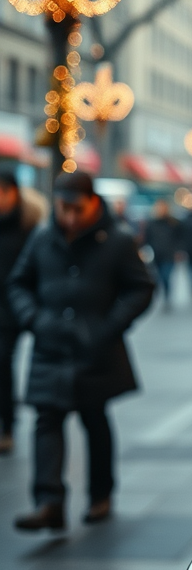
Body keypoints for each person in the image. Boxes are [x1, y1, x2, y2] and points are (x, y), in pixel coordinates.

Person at [7, 171, 153, 530]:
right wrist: (34, 319)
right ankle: (49, 502)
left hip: (94, 348)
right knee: (46, 420)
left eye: (77, 209)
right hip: (50, 346)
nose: (70, 217)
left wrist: (108, 326)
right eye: (63, 208)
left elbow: (142, 288)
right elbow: (19, 284)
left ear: (92, 202)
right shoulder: (42, 238)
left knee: (94, 419)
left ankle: (100, 494)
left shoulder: (116, 240)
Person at [0, 165, 45, 454]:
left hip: (11, 309)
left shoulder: (28, 229)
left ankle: (8, 425)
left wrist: (29, 311)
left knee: (2, 362)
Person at [144, 199, 181, 308]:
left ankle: (167, 296)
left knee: (166, 276)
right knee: (157, 277)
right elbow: (147, 238)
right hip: (156, 254)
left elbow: (179, 238)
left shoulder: (173, 223)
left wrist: (178, 251)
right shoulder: (151, 223)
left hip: (169, 254)